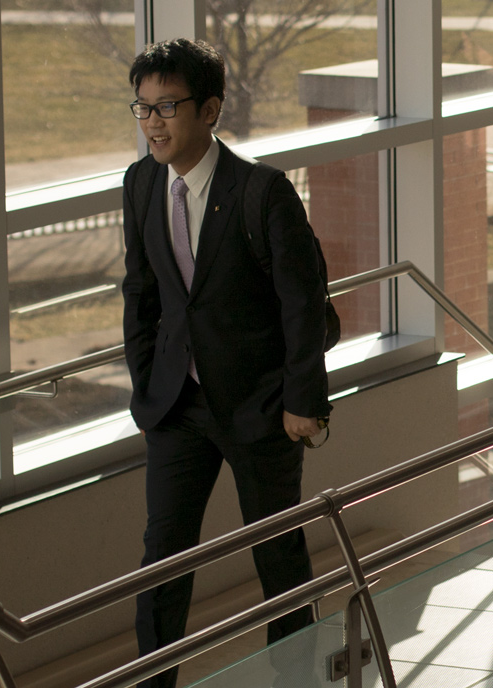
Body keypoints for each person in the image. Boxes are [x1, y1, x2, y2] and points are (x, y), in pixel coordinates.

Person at [119, 38, 332, 688]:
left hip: (260, 408)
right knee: (162, 560)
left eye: (168, 108)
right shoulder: (139, 184)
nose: (153, 123)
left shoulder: (260, 191)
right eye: (143, 108)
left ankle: (295, 678)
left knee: (279, 555)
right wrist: (145, 385)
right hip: (177, 408)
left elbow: (303, 303)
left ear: (208, 110)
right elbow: (142, 292)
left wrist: (303, 401)